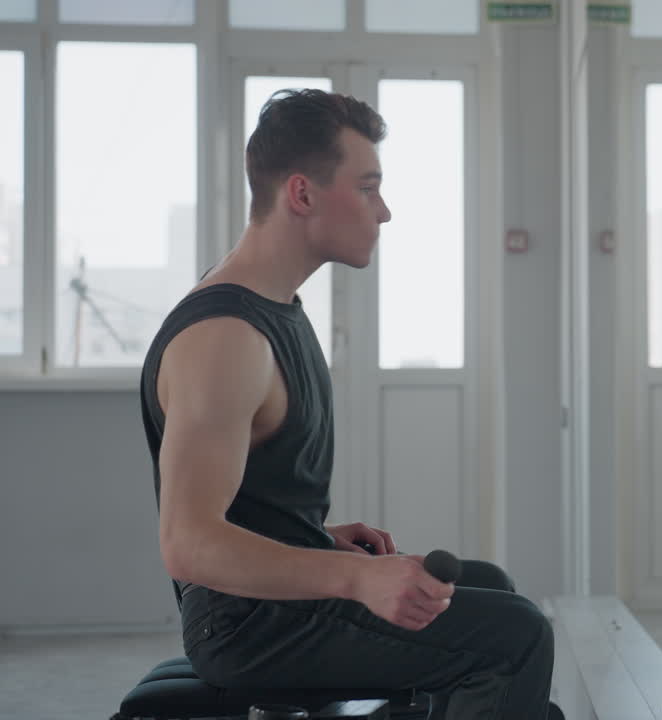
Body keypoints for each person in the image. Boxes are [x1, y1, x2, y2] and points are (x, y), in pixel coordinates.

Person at [139, 89, 553, 720]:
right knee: (516, 634)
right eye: (367, 187)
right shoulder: (224, 339)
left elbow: (238, 500)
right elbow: (189, 543)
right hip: (249, 631)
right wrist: (356, 578)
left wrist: (316, 537)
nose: (383, 211)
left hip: (274, 609)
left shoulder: (274, 308)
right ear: (302, 195)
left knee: (486, 588)